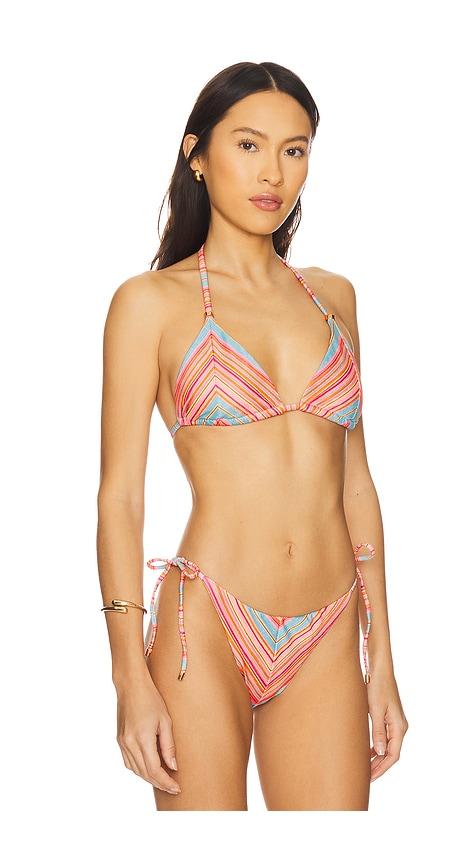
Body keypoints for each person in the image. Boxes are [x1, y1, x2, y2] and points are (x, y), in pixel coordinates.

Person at [97, 61, 408, 811]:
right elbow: (120, 498)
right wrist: (128, 677)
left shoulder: (332, 297)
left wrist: (382, 661)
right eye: (248, 144)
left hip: (329, 627)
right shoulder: (149, 303)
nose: (273, 172)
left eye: (294, 150)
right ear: (197, 155)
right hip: (205, 623)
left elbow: (356, 485)